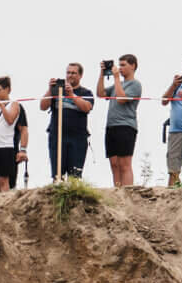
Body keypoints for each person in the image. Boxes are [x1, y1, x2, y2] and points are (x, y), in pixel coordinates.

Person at [38, 64, 95, 179]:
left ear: (80, 75)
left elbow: (87, 107)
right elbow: (43, 106)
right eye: (68, 72)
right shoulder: (57, 91)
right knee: (57, 174)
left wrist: (72, 95)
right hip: (57, 136)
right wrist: (50, 90)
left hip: (77, 138)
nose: (70, 75)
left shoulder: (86, 92)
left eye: (73, 73)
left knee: (75, 174)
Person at [97, 55, 143, 186]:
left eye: (123, 65)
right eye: (119, 65)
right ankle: (117, 192)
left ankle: (127, 191)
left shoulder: (135, 84)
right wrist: (102, 74)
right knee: (114, 164)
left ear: (133, 66)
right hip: (111, 126)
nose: (120, 68)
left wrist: (116, 77)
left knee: (124, 164)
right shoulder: (118, 84)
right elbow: (100, 93)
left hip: (126, 126)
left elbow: (121, 99)